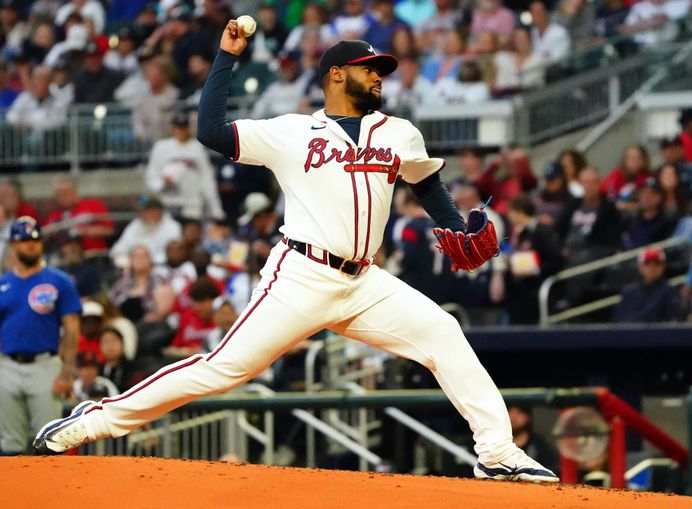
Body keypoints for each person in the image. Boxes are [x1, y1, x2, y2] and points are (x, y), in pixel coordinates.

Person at [34, 32, 559, 484]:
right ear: (336, 75)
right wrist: (226, 57)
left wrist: (452, 224)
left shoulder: (399, 132)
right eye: (368, 68)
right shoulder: (291, 132)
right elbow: (211, 132)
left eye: (381, 69)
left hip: (366, 283)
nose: (378, 76)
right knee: (223, 369)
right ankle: (95, 420)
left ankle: (495, 453)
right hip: (301, 276)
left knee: (444, 333)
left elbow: (427, 183)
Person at [0, 217, 81, 454]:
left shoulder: (59, 281)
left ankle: (52, 492)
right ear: (13, 245)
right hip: (7, 365)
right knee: (8, 443)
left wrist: (66, 372)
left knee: (49, 441)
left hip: (45, 365)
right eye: (24, 240)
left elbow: (72, 328)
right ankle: (10, 492)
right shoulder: (3, 283)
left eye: (35, 240)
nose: (30, 245)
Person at [144, 112, 225, 222]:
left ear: (188, 128)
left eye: (183, 127)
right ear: (172, 128)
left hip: (192, 204)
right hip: (168, 202)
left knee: (191, 235)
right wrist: (162, 182)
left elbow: (206, 178)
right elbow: (151, 175)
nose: (180, 130)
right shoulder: (161, 147)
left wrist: (216, 208)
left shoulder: (197, 148)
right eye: (177, 127)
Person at [504, 196, 562, 324]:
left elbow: (555, 259)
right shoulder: (517, 233)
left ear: (520, 211)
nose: (509, 215)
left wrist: (535, 269)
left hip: (536, 289)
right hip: (518, 291)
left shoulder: (543, 231)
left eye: (511, 211)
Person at [43, 176, 114, 260]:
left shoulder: (93, 205)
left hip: (93, 256)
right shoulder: (53, 215)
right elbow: (44, 235)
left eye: (65, 193)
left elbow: (109, 231)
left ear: (74, 192)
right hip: (65, 259)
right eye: (59, 194)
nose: (62, 197)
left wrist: (83, 231)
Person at [110, 195, 182, 269]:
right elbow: (119, 247)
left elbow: (173, 254)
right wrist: (123, 259)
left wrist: (145, 261)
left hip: (163, 268)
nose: (140, 214)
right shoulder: (136, 224)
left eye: (144, 211)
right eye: (140, 211)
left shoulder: (173, 227)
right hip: (134, 268)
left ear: (157, 211)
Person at [612, 247, 679, 322]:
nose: (652, 268)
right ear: (640, 267)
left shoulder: (668, 291)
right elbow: (619, 321)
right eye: (647, 264)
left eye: (656, 264)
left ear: (663, 266)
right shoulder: (629, 292)